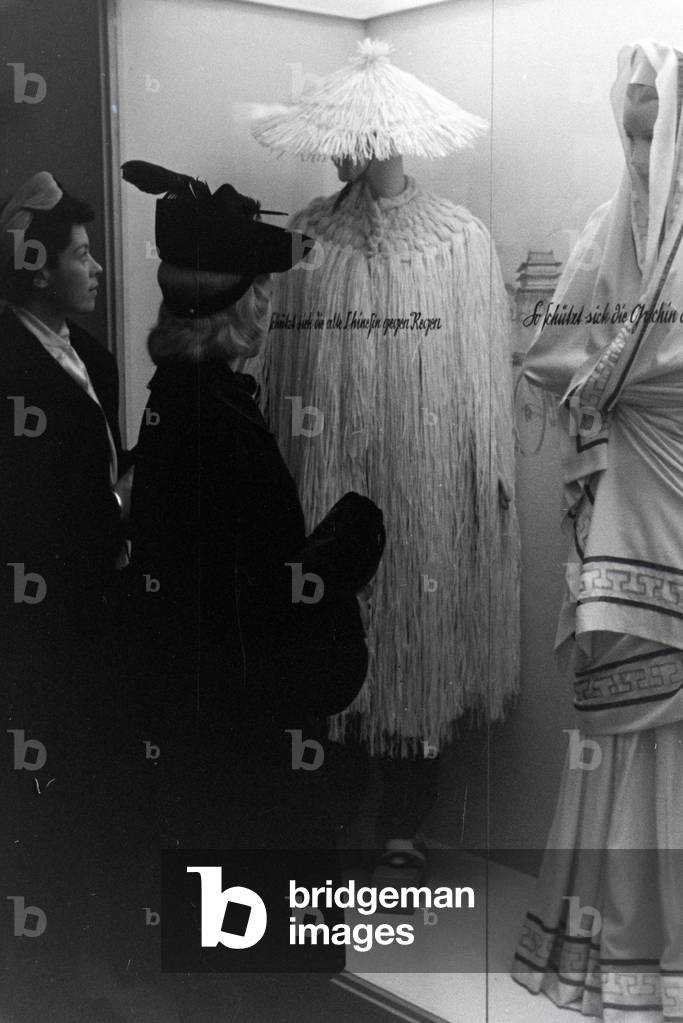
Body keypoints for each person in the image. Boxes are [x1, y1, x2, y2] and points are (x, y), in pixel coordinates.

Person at [252, 37, 519, 860]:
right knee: (331, 636)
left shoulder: (459, 242)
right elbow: (281, 372)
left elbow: (481, 379)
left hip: (425, 484)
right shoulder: (305, 240)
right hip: (326, 476)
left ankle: (402, 823)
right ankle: (330, 819)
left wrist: (489, 479)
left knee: (420, 640)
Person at [122, 161, 385, 994]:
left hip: (206, 744)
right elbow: (254, 598)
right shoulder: (215, 418)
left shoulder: (178, 397)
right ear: (245, 303)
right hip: (247, 756)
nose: (273, 304)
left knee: (227, 964)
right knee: (269, 979)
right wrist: (348, 543)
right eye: (265, 289)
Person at [512, 41, 683, 1022]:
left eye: (655, 127)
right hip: (619, 521)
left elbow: (587, 361)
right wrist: (608, 389)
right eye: (628, 126)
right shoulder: (600, 233)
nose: (642, 146)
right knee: (629, 740)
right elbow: (541, 356)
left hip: (655, 506)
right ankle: (623, 963)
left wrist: (614, 380)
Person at [0, 172, 131, 1017]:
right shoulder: (9, 362)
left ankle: (83, 957)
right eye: (80, 256)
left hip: (96, 613)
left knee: (91, 787)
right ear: (37, 268)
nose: (95, 270)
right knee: (39, 802)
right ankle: (40, 977)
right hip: (34, 623)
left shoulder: (95, 356)